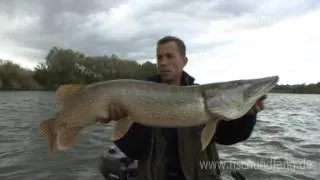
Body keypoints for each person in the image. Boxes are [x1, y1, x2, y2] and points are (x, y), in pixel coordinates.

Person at [102, 36, 266, 180]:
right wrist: (123, 117)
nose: (163, 62)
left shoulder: (209, 99)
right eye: (159, 57)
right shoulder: (138, 97)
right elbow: (134, 152)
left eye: (169, 56)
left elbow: (228, 137)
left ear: (184, 60)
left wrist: (247, 116)